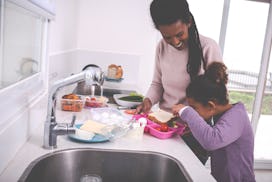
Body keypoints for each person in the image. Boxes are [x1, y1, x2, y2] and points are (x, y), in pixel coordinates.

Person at [136, 0, 222, 164]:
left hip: (194, 135)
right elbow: (157, 84)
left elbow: (218, 97)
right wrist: (148, 101)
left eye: (179, 34)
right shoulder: (161, 47)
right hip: (165, 128)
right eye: (167, 36)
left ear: (188, 22)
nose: (175, 42)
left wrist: (197, 119)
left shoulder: (208, 47)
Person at [172, 62, 256, 182]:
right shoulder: (222, 115)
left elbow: (212, 141)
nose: (194, 112)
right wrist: (195, 127)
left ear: (211, 105)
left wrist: (186, 111)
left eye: (194, 108)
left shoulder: (237, 116)